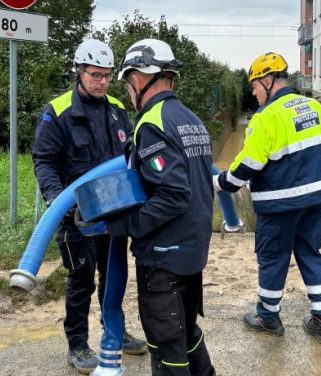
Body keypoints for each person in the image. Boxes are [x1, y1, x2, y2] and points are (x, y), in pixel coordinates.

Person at [32, 39, 147, 374]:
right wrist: (57, 199)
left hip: (112, 214)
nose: (103, 82)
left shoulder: (116, 109)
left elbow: (130, 157)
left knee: (114, 277)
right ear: (79, 71)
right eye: (96, 75)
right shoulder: (58, 112)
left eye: (108, 76)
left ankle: (116, 332)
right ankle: (77, 344)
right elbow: (44, 161)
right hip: (77, 217)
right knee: (82, 280)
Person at [214, 52, 321, 345]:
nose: (254, 93)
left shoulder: (265, 117)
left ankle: (268, 317)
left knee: (272, 258)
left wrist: (222, 183)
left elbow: (248, 165)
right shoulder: (315, 107)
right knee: (310, 252)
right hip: (317, 197)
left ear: (268, 81)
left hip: (280, 203)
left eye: (255, 86)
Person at [110, 38, 216, 375]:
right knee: (186, 333)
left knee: (165, 344)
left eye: (128, 84)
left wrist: (128, 225)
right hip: (192, 250)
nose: (129, 92)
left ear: (138, 79)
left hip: (163, 256)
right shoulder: (190, 120)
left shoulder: (152, 123)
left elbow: (173, 194)